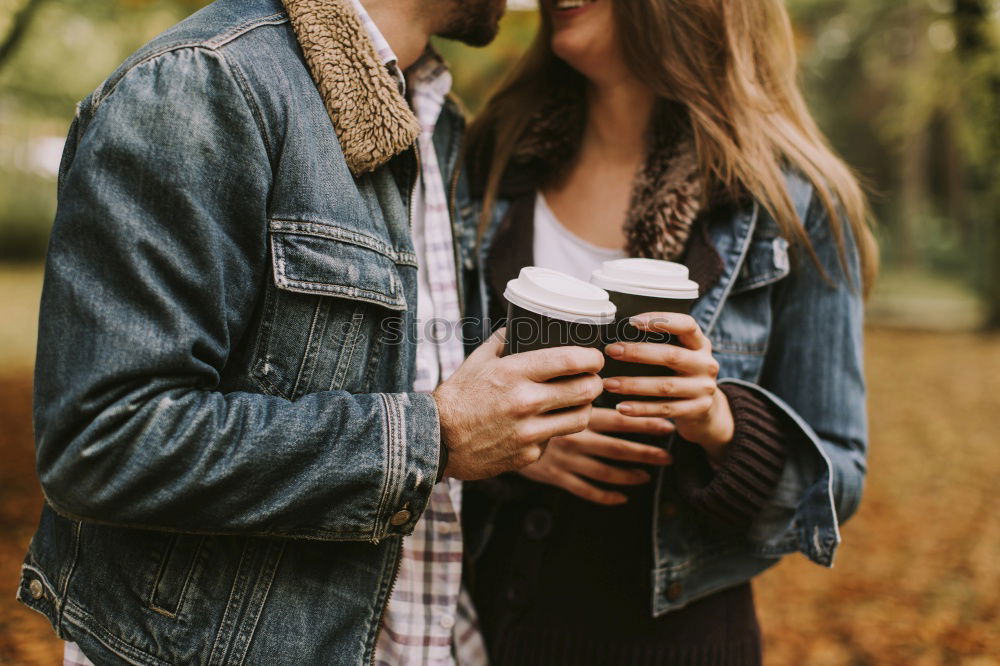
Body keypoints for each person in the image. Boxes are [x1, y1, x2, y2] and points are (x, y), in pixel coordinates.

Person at [17, 0, 609, 664]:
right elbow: (104, 440)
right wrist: (434, 437)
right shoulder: (202, 85)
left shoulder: (438, 121)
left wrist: (512, 434)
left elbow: (398, 387)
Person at [462, 0, 878, 663]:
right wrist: (507, 449)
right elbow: (413, 393)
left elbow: (840, 479)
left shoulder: (796, 205)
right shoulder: (483, 160)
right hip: (476, 632)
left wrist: (719, 422)